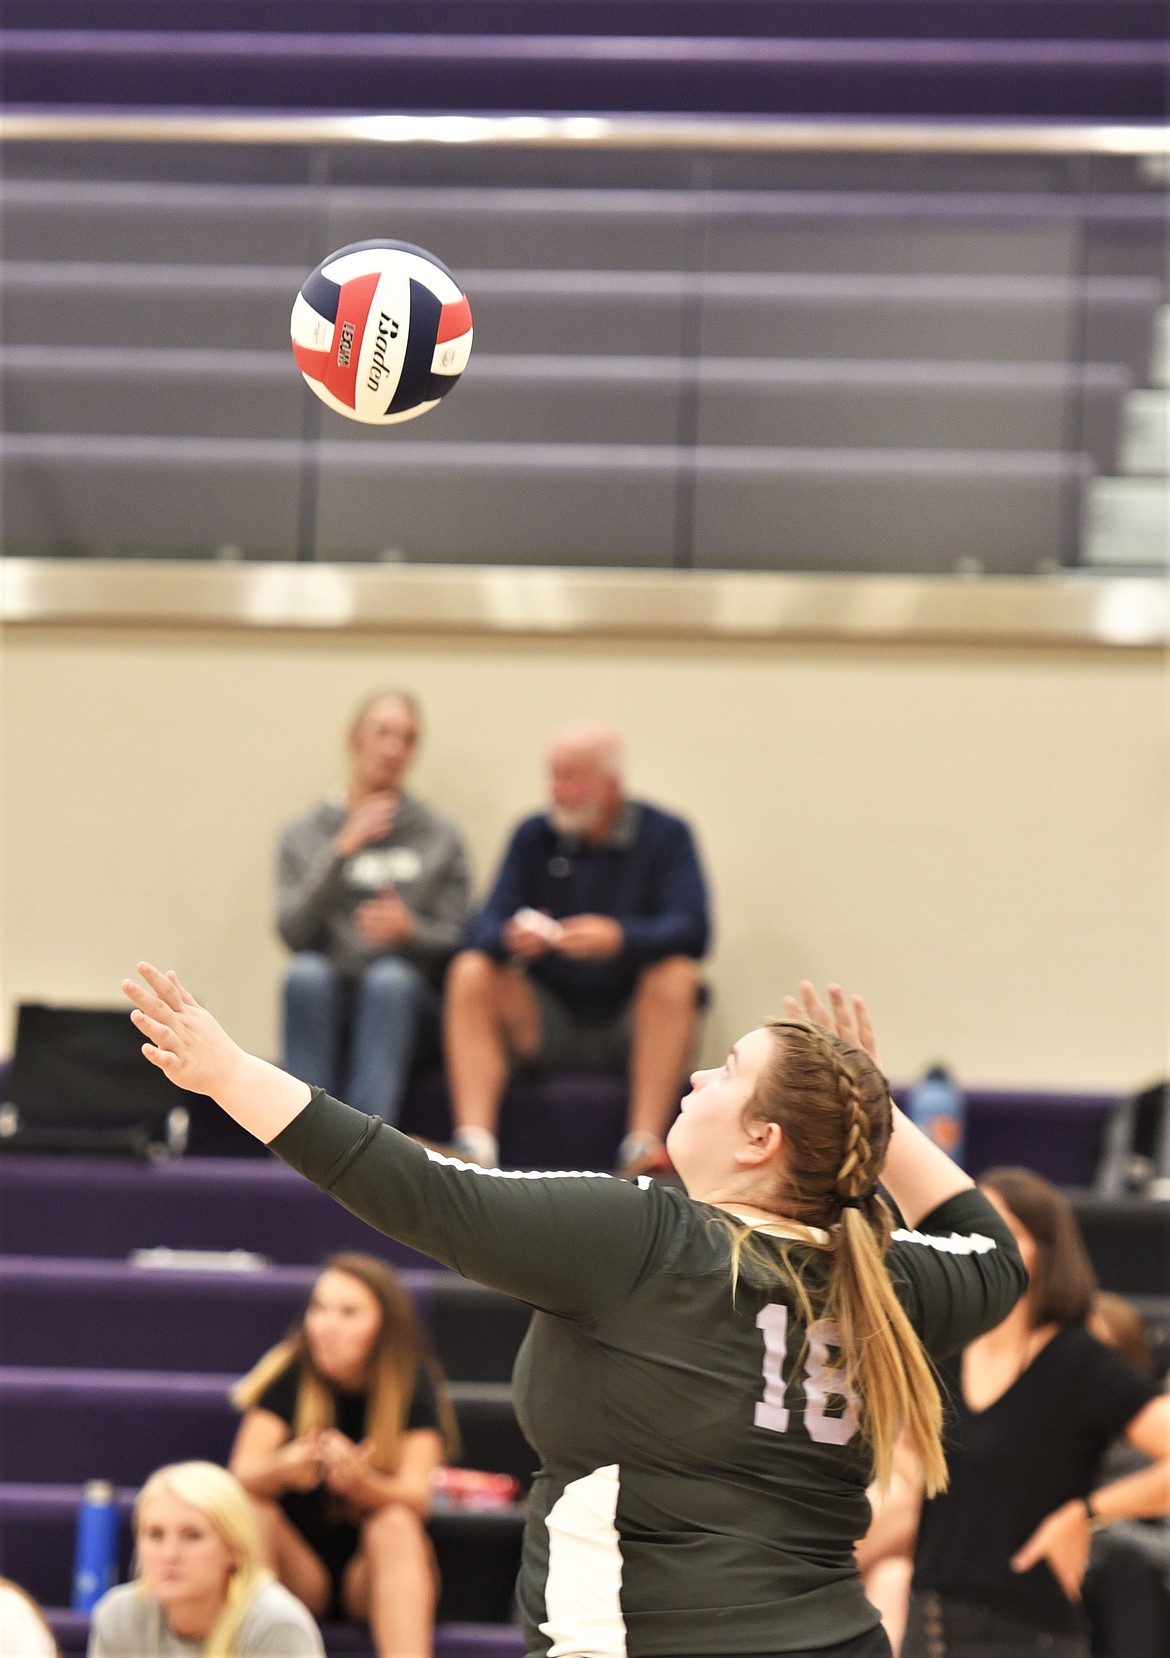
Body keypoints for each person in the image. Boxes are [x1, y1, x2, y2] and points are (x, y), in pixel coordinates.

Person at [124, 964, 1029, 1658]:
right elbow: (992, 1251)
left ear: (764, 1139)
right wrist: (869, 1104)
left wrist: (232, 1075)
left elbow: (420, 1190)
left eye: (730, 1071)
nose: (703, 1071)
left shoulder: (645, 1238)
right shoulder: (889, 1274)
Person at [899, 1166, 1170, 1658]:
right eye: (965, 1234)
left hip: (1025, 1635)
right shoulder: (945, 1354)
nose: (981, 1249)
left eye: (1002, 1234)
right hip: (926, 1626)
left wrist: (1086, 1514)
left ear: (1044, 1252)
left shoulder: (1079, 1362)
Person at [444, 720, 710, 1175]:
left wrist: (620, 938)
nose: (557, 790)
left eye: (571, 776)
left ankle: (641, 1147)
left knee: (677, 974)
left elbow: (694, 930)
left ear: (611, 785)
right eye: (553, 775)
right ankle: (475, 1146)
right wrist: (512, 937)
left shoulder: (665, 835)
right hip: (547, 1019)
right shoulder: (533, 836)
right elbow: (480, 927)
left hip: (632, 1022)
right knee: (472, 969)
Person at [228, 1252, 457, 1658]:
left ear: (383, 1326)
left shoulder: (410, 1380)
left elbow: (417, 1499)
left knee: (396, 1524)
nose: (326, 1326)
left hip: (367, 1575)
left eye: (349, 1313)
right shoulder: (291, 1371)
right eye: (319, 1309)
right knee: (252, 1509)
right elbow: (237, 1479)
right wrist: (283, 1469)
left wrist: (360, 1485)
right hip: (300, 1571)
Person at [277, 690, 471, 1125]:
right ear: (354, 739)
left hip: (406, 1005)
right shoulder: (306, 833)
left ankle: (364, 1150)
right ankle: (303, 1139)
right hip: (329, 995)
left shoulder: (439, 834)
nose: (393, 749)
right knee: (305, 975)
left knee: (390, 980)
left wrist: (410, 931)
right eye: (383, 733)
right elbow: (291, 932)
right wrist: (339, 853)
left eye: (407, 738)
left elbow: (464, 939)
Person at [87, 1461, 323, 1657]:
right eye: (155, 1535)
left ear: (235, 1550)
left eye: (193, 1536)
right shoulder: (119, 1617)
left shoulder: (275, 1625)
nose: (170, 1555)